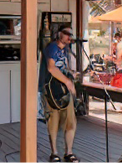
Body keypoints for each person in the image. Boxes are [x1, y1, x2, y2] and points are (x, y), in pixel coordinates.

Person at [41, 25, 79, 163]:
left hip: (64, 91)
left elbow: (64, 67)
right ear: (59, 34)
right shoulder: (52, 47)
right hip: (52, 90)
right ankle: (54, 153)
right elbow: (51, 68)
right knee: (54, 121)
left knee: (70, 122)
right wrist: (68, 82)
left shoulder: (66, 50)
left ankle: (68, 152)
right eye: (67, 33)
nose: (70, 36)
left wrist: (71, 75)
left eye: (71, 34)